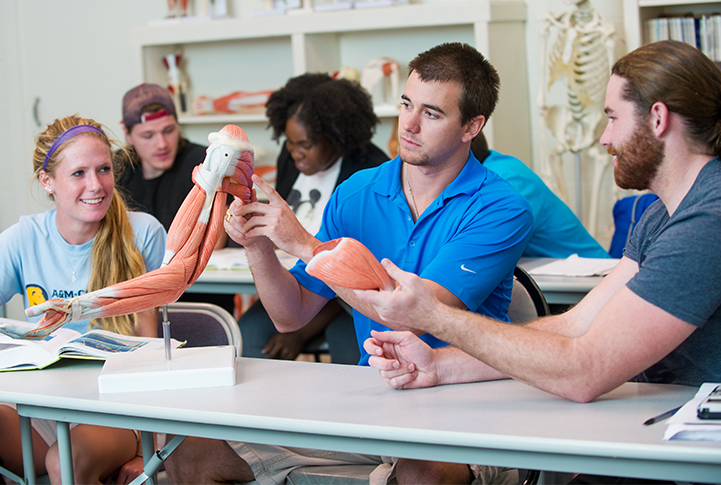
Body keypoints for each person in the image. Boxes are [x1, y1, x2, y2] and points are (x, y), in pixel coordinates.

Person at [164, 42, 533, 485]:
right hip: (374, 400)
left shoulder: (501, 208)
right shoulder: (358, 192)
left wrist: (303, 245)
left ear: (472, 125)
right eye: (406, 104)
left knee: (421, 474)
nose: (409, 125)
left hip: (464, 404)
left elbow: (414, 318)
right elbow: (291, 315)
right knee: (193, 455)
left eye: (432, 114)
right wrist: (258, 242)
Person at [355, 40, 721, 407]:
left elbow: (585, 370)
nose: (604, 138)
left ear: (658, 118)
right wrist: (439, 365)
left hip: (700, 447)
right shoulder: (663, 211)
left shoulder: (713, 221)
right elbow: (577, 324)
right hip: (657, 421)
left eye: (613, 118)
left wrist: (434, 316)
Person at [0, 115, 167, 484]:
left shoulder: (143, 234)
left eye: (104, 169)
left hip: (119, 412)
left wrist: (151, 451)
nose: (96, 185)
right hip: (45, 407)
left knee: (66, 463)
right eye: (78, 173)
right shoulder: (22, 237)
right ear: (48, 182)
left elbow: (153, 350)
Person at [239, 73, 389, 364]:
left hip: (345, 300)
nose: (295, 153)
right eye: (290, 143)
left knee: (351, 346)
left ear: (335, 137)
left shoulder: (368, 173)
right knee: (249, 335)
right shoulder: (291, 157)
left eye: (305, 144)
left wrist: (301, 331)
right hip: (294, 282)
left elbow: (360, 275)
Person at [117, 82, 235, 314]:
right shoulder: (115, 169)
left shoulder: (206, 162)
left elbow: (215, 240)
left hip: (201, 298)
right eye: (148, 135)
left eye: (168, 131)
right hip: (136, 297)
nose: (161, 144)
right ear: (127, 134)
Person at [471, 131, 609, 259]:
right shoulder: (489, 171)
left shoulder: (505, 179)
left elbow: (482, 247)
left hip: (592, 276)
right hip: (553, 276)